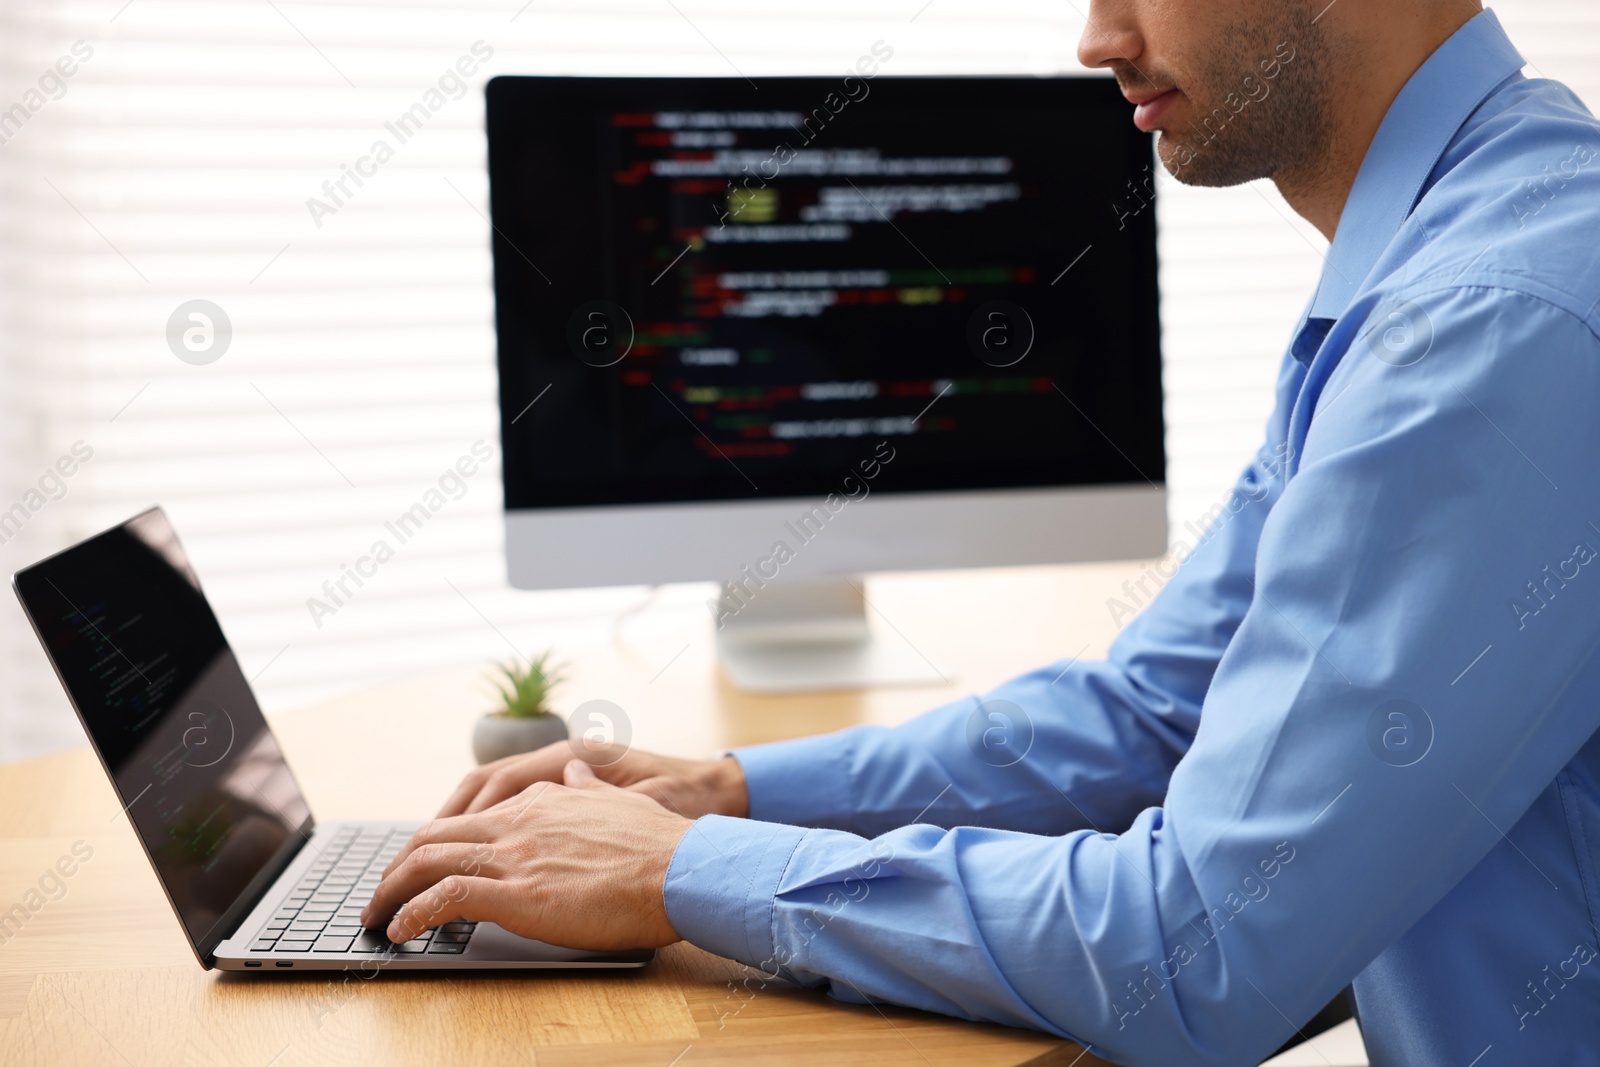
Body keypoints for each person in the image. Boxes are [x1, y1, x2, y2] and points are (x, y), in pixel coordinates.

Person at [363, 2, 1600, 1062]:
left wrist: (683, 871)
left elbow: (1196, 946)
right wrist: (722, 791)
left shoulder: (1487, 326)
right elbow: (1152, 708)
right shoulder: (1456, 252)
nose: (1094, 38)